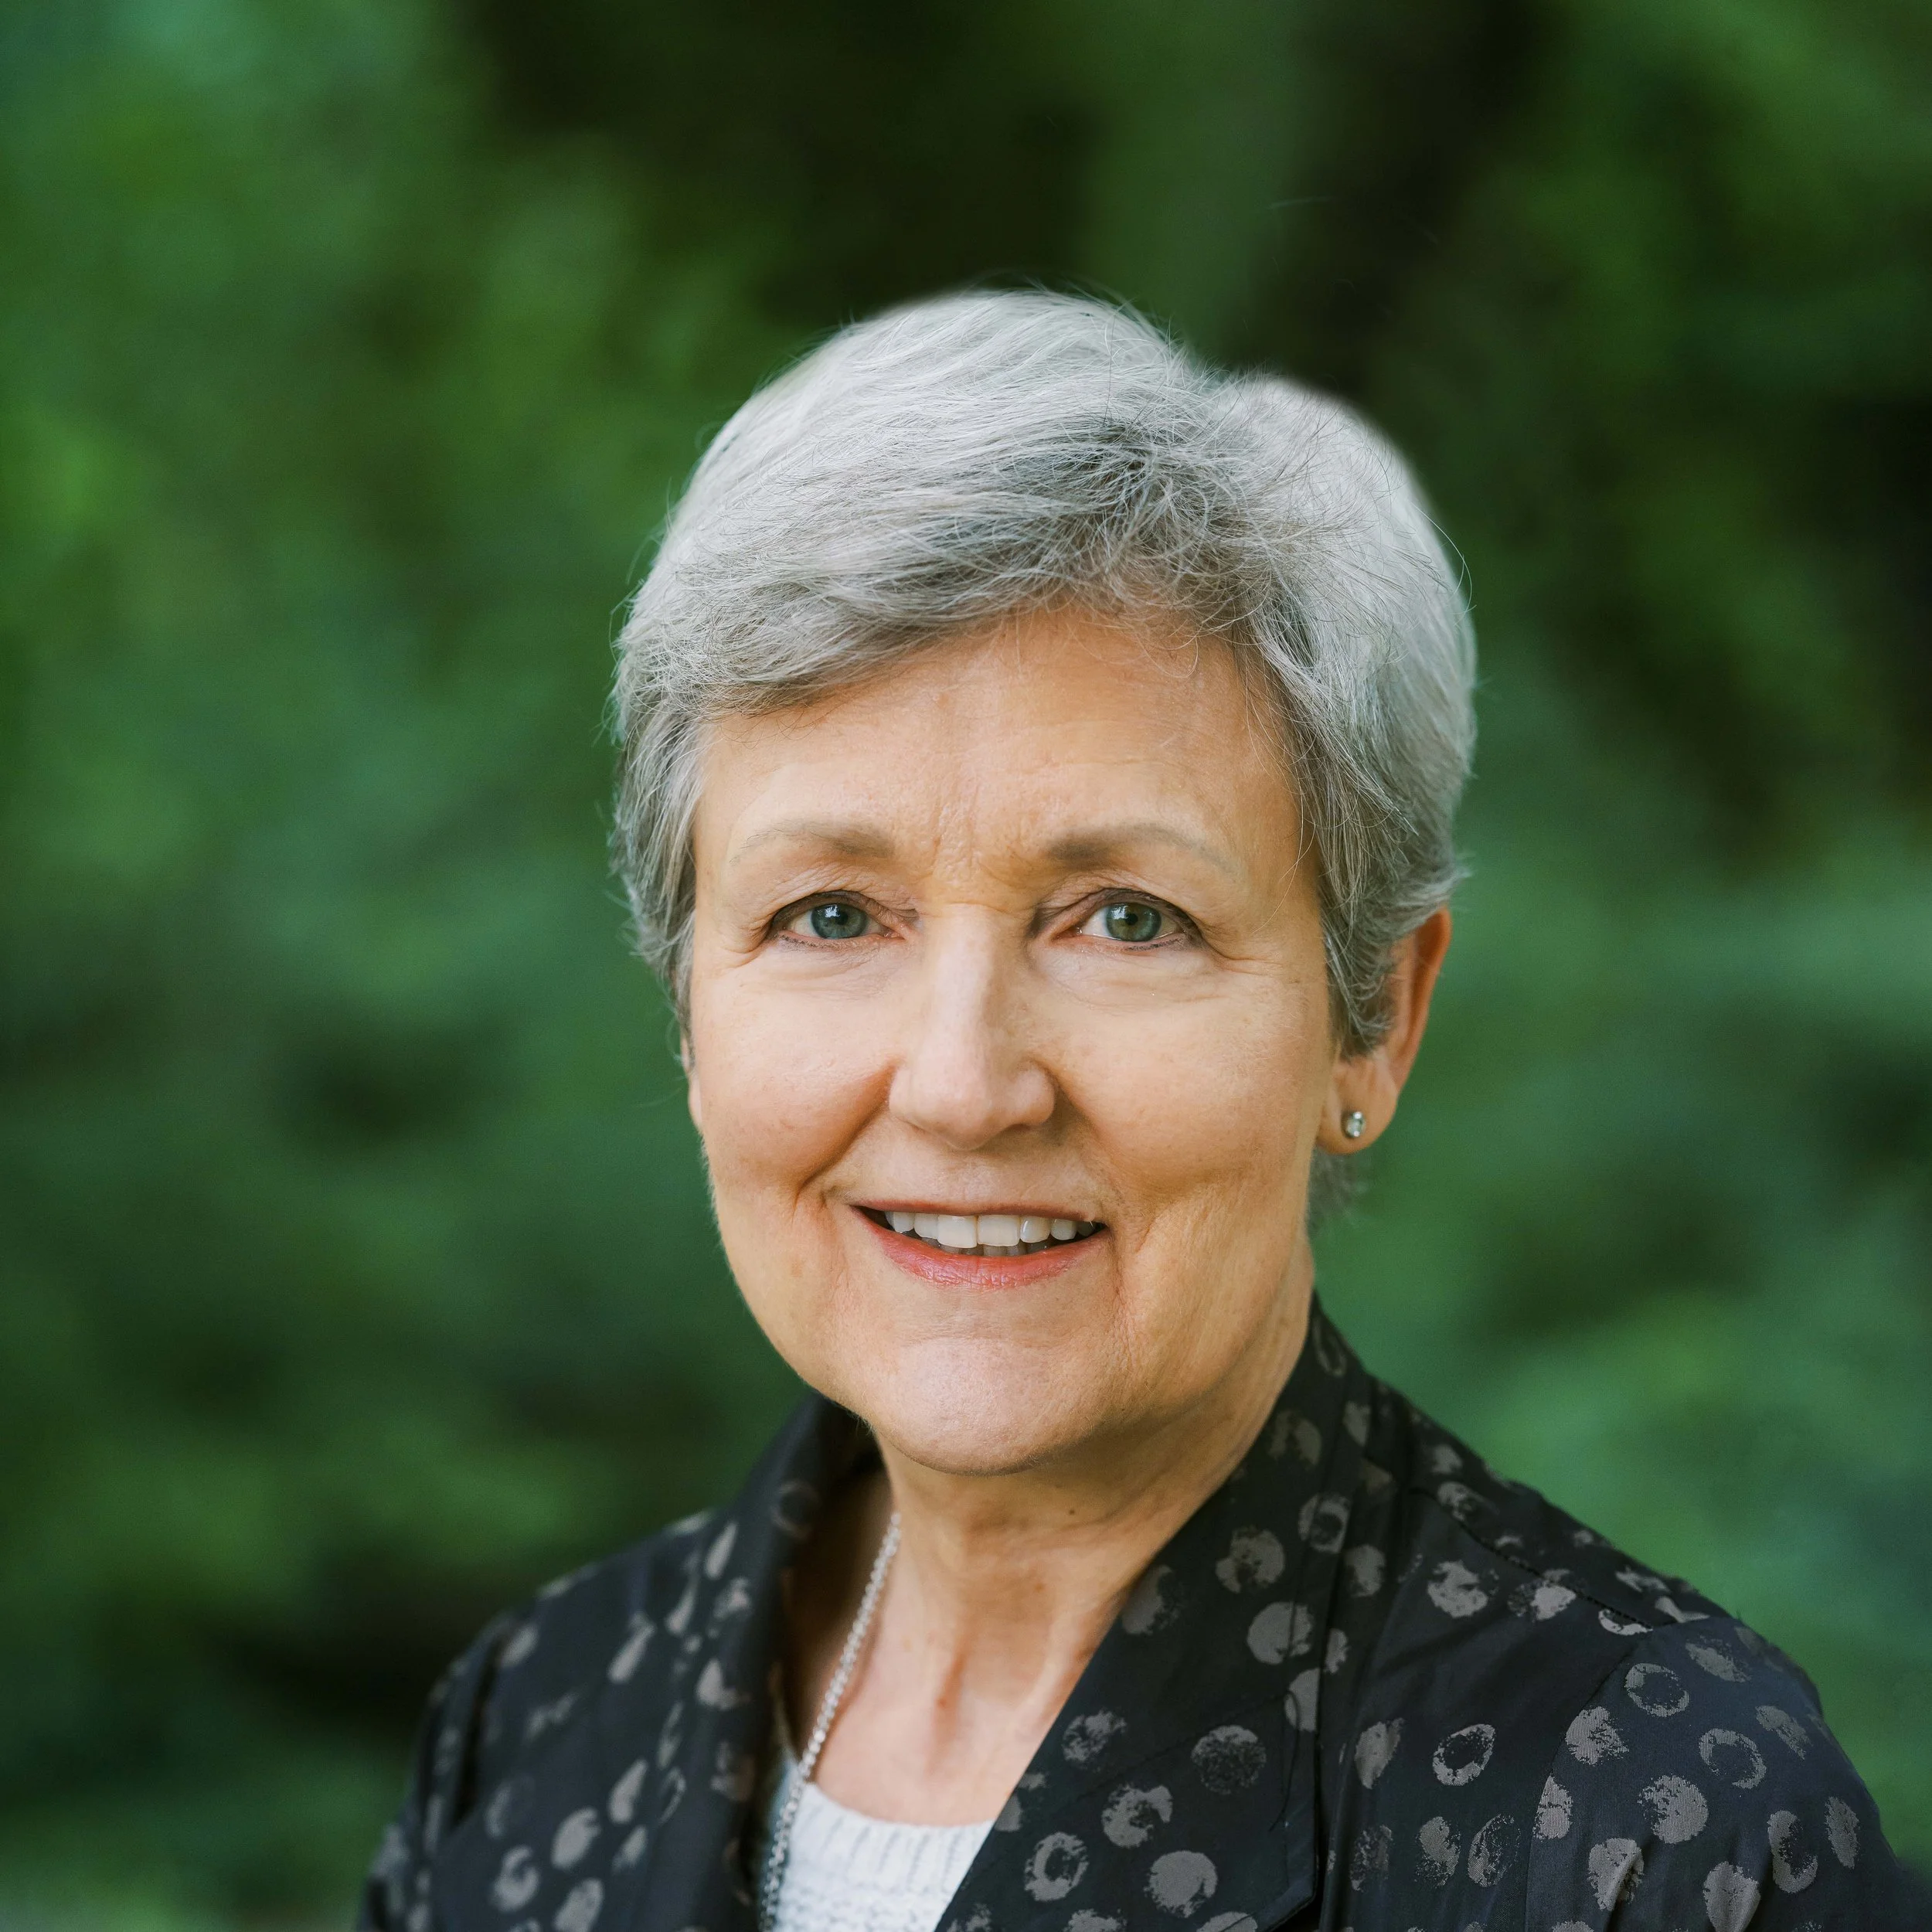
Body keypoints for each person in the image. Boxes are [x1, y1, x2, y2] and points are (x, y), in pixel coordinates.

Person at [359, 293, 1917, 1932]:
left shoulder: (1652, 1830)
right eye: (829, 913)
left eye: (1123, 918)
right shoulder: (529, 1727)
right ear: (687, 1003)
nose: (962, 1086)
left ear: (1369, 1019)